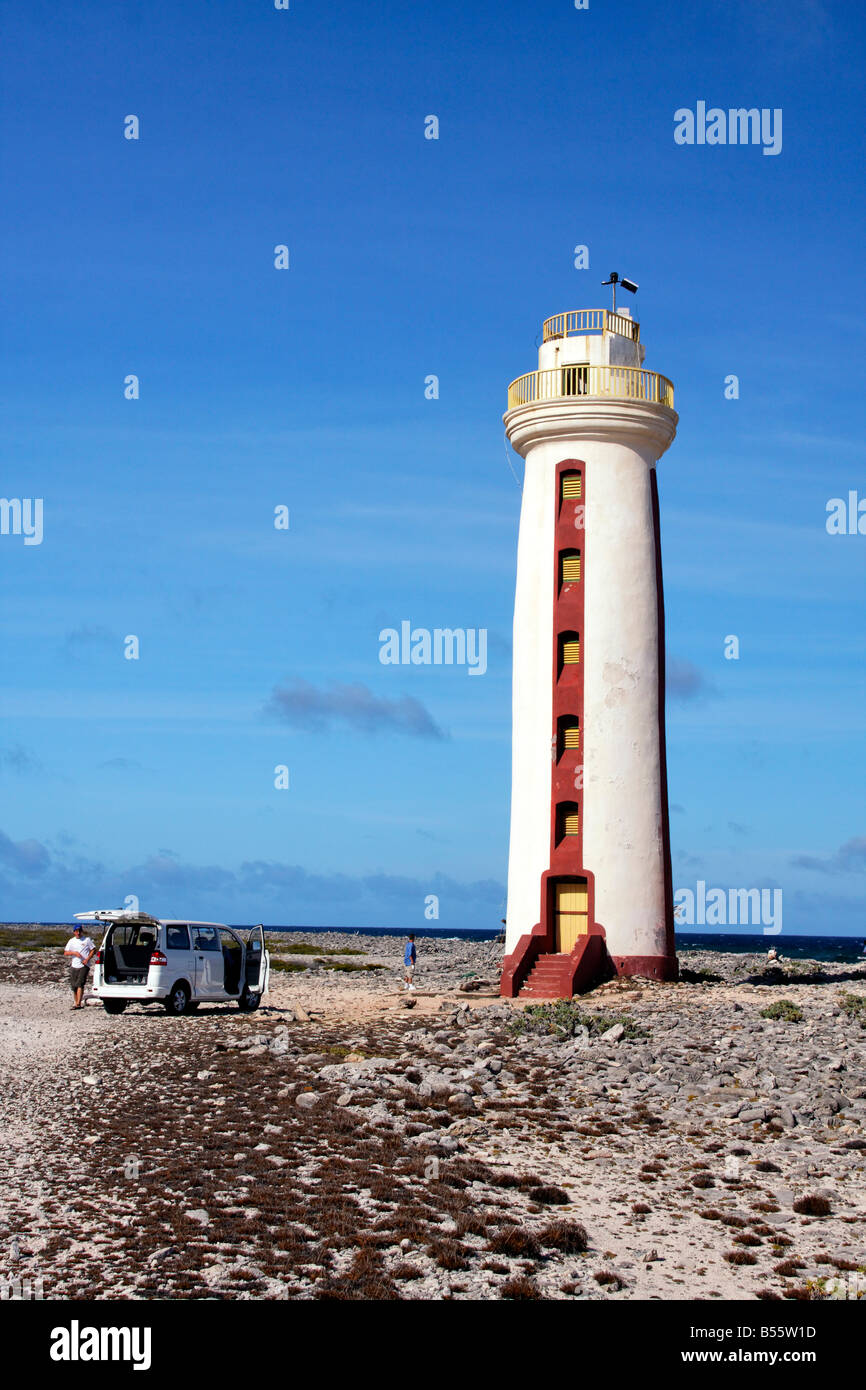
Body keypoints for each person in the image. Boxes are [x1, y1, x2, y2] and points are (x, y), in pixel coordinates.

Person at [64, 923, 96, 1010]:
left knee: (80, 984)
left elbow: (93, 950)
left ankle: (78, 1003)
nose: (78, 933)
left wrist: (87, 959)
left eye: (79, 931)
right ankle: (76, 1002)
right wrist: (74, 953)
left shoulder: (87, 940)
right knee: (73, 985)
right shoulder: (71, 941)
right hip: (74, 965)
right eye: (76, 931)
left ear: (82, 931)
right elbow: (66, 952)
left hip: (84, 965)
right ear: (74, 932)